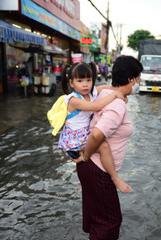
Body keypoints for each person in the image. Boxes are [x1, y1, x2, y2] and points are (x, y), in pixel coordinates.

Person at [71, 55, 143, 239]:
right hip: (97, 169)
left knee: (99, 220)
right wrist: (86, 155)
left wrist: (117, 93)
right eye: (138, 78)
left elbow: (102, 89)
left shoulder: (104, 95)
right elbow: (96, 134)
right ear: (130, 79)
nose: (139, 82)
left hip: (90, 167)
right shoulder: (117, 105)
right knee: (110, 222)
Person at [56, 61, 131, 194]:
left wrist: (120, 93)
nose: (85, 84)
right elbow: (97, 107)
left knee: (101, 141)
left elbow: (103, 87)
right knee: (103, 146)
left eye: (88, 80)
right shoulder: (73, 100)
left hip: (84, 134)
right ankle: (115, 178)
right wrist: (114, 95)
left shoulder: (90, 94)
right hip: (75, 138)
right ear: (71, 83)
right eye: (80, 80)